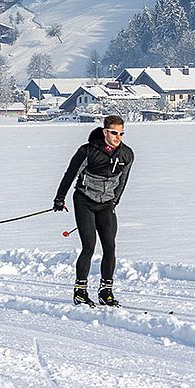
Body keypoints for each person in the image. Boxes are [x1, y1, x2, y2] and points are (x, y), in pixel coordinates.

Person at [53, 115, 134, 307]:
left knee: (110, 247)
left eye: (121, 133)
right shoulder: (88, 151)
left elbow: (122, 181)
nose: (118, 137)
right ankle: (80, 291)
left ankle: (106, 291)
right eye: (114, 133)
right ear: (105, 131)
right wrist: (59, 198)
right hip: (84, 201)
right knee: (89, 246)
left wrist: (114, 202)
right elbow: (70, 174)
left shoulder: (126, 154)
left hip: (106, 204)